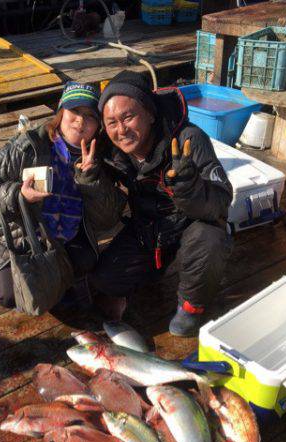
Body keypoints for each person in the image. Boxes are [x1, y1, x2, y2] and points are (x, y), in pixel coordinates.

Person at [89, 71, 233, 337]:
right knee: (104, 280)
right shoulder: (109, 154)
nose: (121, 130)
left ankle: (192, 307)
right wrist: (89, 180)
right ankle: (153, 273)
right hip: (149, 232)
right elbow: (104, 216)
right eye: (112, 123)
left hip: (192, 227)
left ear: (150, 113)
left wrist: (191, 187)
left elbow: (222, 201)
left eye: (128, 117)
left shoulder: (190, 139)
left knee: (211, 239)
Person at [0, 81, 124, 310]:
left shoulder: (102, 158)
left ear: (99, 126)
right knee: (6, 294)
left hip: (67, 235)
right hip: (22, 230)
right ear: (61, 111)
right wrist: (18, 194)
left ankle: (61, 277)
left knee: (85, 263)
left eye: (90, 116)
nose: (80, 121)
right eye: (74, 111)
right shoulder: (30, 145)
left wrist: (89, 178)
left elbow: (107, 220)